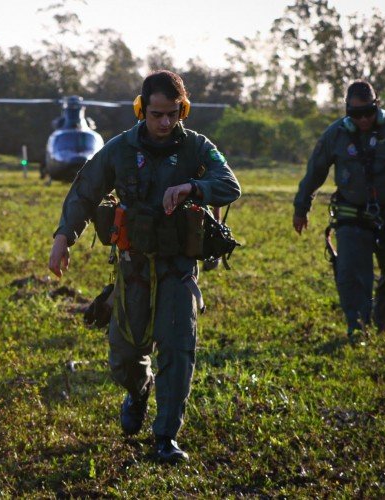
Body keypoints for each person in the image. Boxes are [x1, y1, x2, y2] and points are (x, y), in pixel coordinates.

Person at [48, 70, 241, 463]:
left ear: (182, 110)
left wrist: (193, 188)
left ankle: (165, 436)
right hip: (133, 266)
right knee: (124, 353)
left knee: (177, 347)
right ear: (142, 110)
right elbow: (84, 193)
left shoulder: (198, 148)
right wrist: (63, 239)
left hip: (178, 267)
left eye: (173, 114)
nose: (165, 122)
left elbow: (229, 183)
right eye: (157, 114)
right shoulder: (119, 149)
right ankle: (138, 391)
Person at [292, 80, 385, 339]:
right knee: (353, 275)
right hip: (351, 214)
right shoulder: (335, 134)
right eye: (356, 114)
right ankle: (357, 327)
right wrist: (301, 207)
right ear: (347, 111)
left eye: (368, 111)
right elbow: (315, 172)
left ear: (377, 105)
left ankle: (383, 321)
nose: (363, 118)